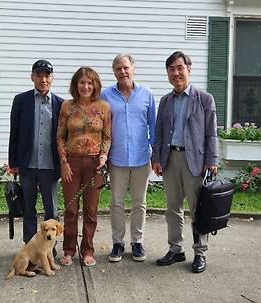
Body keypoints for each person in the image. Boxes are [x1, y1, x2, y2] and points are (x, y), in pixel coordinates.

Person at [151, 51, 218, 273]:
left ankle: (200, 253)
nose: (176, 73)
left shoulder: (204, 99)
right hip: (170, 159)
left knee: (198, 210)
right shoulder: (165, 101)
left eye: (180, 68)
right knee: (172, 208)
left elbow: (211, 134)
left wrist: (211, 160)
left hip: (195, 162)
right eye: (171, 69)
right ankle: (176, 249)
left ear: (188, 69)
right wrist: (157, 158)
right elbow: (159, 132)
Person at [101, 54, 156, 262]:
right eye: (118, 69)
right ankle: (117, 243)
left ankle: (137, 242)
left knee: (139, 203)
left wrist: (156, 154)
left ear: (133, 67)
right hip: (116, 159)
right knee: (116, 203)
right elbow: (103, 127)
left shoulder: (146, 93)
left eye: (126, 67)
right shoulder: (106, 96)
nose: (123, 72)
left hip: (142, 158)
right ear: (114, 72)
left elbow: (153, 125)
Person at [56, 66, 112, 267]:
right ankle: (69, 250)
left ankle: (88, 250)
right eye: (82, 82)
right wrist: (63, 162)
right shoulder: (67, 106)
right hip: (71, 162)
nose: (86, 86)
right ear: (76, 85)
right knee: (71, 209)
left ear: (95, 85)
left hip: (94, 164)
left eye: (90, 82)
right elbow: (60, 136)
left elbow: (107, 136)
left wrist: (104, 156)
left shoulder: (104, 107)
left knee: (91, 210)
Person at [8, 59, 63, 256]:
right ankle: (30, 248)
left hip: (50, 166)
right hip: (27, 165)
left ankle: (50, 249)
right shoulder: (21, 100)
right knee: (29, 209)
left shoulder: (60, 104)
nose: (43, 79)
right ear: (32, 77)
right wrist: (13, 162)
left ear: (52, 78)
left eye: (47, 75)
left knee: (52, 210)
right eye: (39, 75)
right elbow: (14, 132)